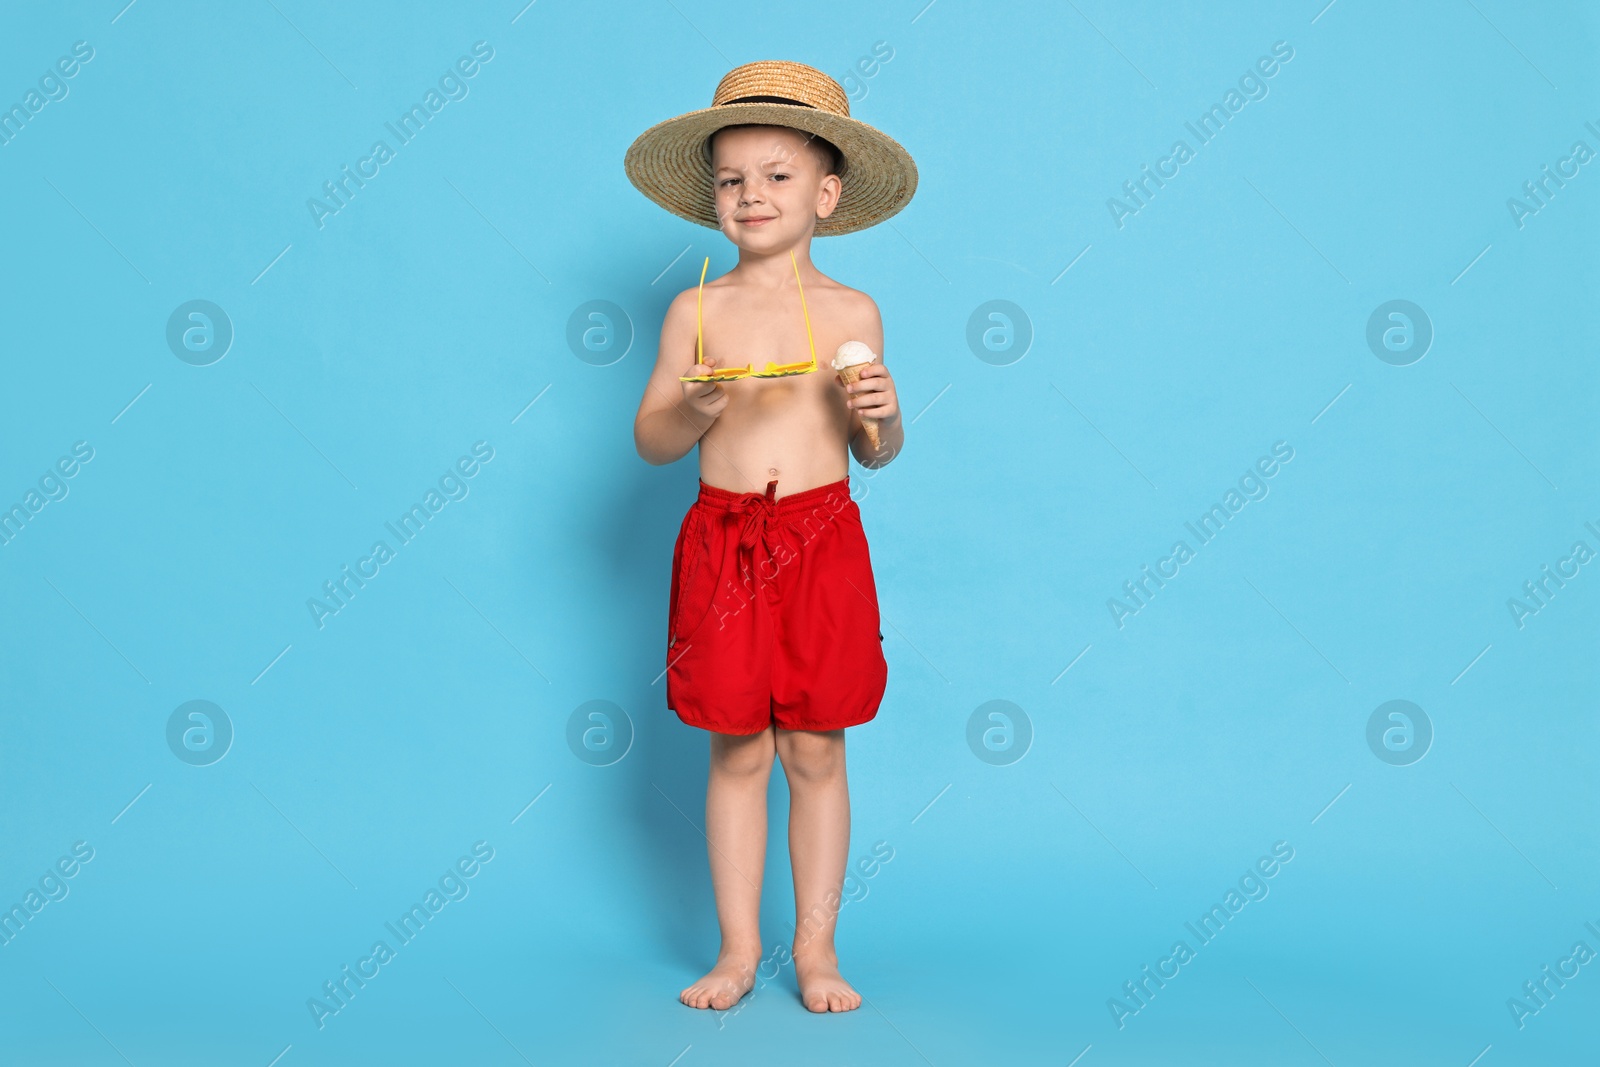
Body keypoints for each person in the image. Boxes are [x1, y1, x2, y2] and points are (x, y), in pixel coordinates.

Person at [626, 60, 918, 1013]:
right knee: (738, 750)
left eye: (778, 175)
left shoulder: (852, 312)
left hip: (821, 538)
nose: (751, 195)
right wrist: (697, 406)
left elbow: (876, 452)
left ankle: (819, 949)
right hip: (722, 543)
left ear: (827, 194)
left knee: (816, 750)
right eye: (731, 179)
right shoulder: (696, 311)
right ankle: (738, 949)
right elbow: (653, 440)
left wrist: (882, 412)